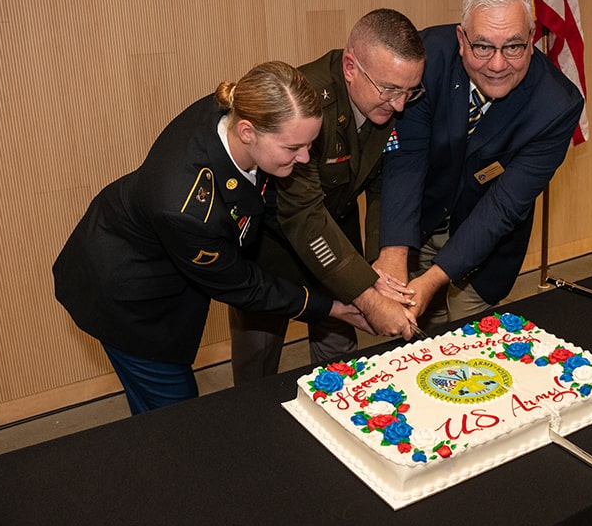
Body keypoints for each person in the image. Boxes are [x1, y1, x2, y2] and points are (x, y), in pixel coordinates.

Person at [53, 61, 369, 414]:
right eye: (293, 147)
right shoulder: (186, 207)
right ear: (248, 131)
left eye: (310, 144)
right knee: (176, 416)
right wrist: (332, 307)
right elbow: (242, 284)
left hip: (164, 255)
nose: (305, 157)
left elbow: (265, 208)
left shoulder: (234, 113)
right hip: (128, 293)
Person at [374, 0, 584, 326]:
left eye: (513, 46)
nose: (498, 64)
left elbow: (503, 206)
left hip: (487, 246)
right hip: (418, 223)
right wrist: (394, 252)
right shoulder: (429, 60)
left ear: (532, 41)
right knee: (418, 346)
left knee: (466, 345)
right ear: (461, 39)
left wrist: (432, 281)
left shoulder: (557, 106)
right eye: (483, 46)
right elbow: (406, 159)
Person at [229, 9, 426, 382]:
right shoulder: (306, 104)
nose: (400, 105)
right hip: (273, 250)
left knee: (341, 364)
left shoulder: (388, 100)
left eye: (409, 91)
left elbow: (385, 179)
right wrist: (368, 295)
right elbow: (301, 213)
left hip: (337, 238)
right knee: (257, 369)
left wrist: (383, 259)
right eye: (390, 90)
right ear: (351, 67)